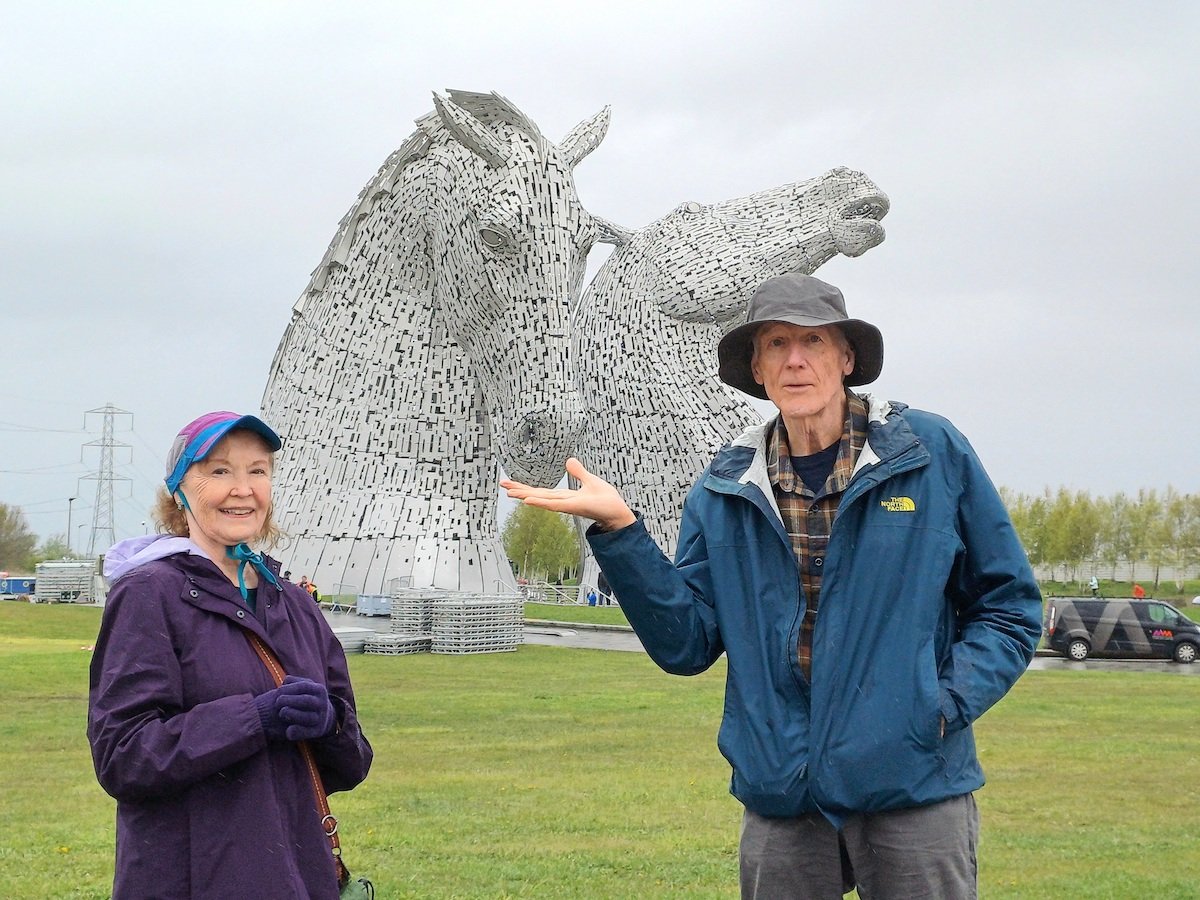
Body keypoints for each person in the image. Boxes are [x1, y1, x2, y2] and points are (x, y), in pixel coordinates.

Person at [502, 273, 1043, 899]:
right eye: (776, 343)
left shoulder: (930, 454)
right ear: (756, 368)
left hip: (912, 784)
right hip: (782, 791)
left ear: (846, 358)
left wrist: (938, 708)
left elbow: (1008, 606)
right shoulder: (726, 486)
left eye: (813, 341)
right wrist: (620, 531)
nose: (795, 359)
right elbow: (688, 642)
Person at [88, 411, 373, 899]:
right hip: (190, 882)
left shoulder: (297, 604)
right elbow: (123, 756)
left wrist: (329, 724)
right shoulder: (149, 594)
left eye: (257, 471)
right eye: (219, 471)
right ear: (180, 490)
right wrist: (253, 718)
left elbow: (352, 764)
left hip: (297, 879)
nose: (242, 488)